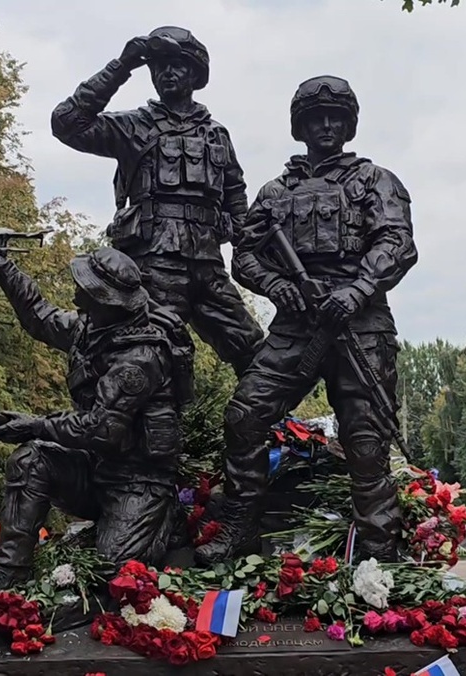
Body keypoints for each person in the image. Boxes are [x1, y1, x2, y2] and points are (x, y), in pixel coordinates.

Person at [196, 76, 419, 565]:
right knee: (244, 417)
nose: (326, 125)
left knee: (365, 440)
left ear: (349, 124)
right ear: (299, 126)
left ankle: (379, 556)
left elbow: (398, 244)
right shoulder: (276, 192)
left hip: (361, 325)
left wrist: (357, 290)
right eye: (315, 118)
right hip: (297, 325)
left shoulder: (374, 180)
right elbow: (247, 256)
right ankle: (240, 531)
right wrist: (280, 287)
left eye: (335, 117)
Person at [0, 230, 194, 609]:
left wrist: (31, 424)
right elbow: (40, 317)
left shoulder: (141, 357)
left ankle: (165, 522)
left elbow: (102, 429)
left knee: (108, 581)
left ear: (107, 300)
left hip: (138, 482)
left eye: (84, 289)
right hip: (97, 471)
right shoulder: (94, 327)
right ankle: (6, 577)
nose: (75, 295)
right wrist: (2, 265)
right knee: (31, 459)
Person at [50, 25, 263, 375]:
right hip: (152, 268)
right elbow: (67, 123)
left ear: (195, 73)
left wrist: (237, 236)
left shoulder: (217, 135)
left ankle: (258, 428)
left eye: (176, 65)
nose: (166, 73)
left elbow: (237, 199)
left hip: (208, 267)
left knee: (253, 352)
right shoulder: (134, 126)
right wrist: (123, 64)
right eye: (158, 66)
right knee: (152, 356)